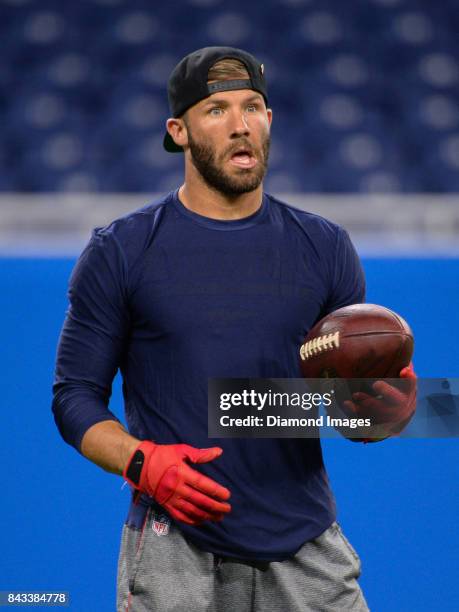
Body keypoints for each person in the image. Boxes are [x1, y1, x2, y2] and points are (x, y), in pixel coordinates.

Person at [52, 46, 415, 611]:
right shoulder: (120, 251)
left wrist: (382, 412)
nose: (241, 125)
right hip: (176, 551)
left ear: (270, 120)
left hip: (308, 547)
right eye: (216, 109)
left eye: (253, 107)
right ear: (179, 130)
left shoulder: (324, 247)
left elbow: (344, 407)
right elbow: (74, 399)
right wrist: (142, 462)